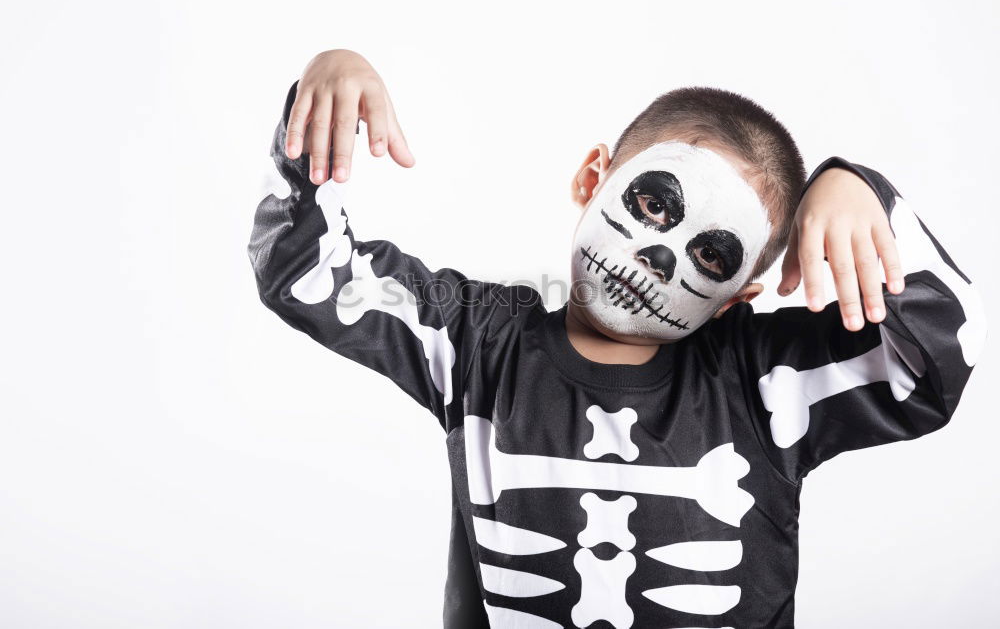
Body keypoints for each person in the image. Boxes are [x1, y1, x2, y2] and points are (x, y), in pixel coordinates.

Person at [247, 49, 986, 628]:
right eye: (653, 203)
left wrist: (861, 189)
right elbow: (307, 270)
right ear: (592, 177)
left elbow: (941, 358)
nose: (657, 259)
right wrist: (318, 108)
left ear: (740, 298)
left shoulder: (765, 382)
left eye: (712, 256)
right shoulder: (473, 336)